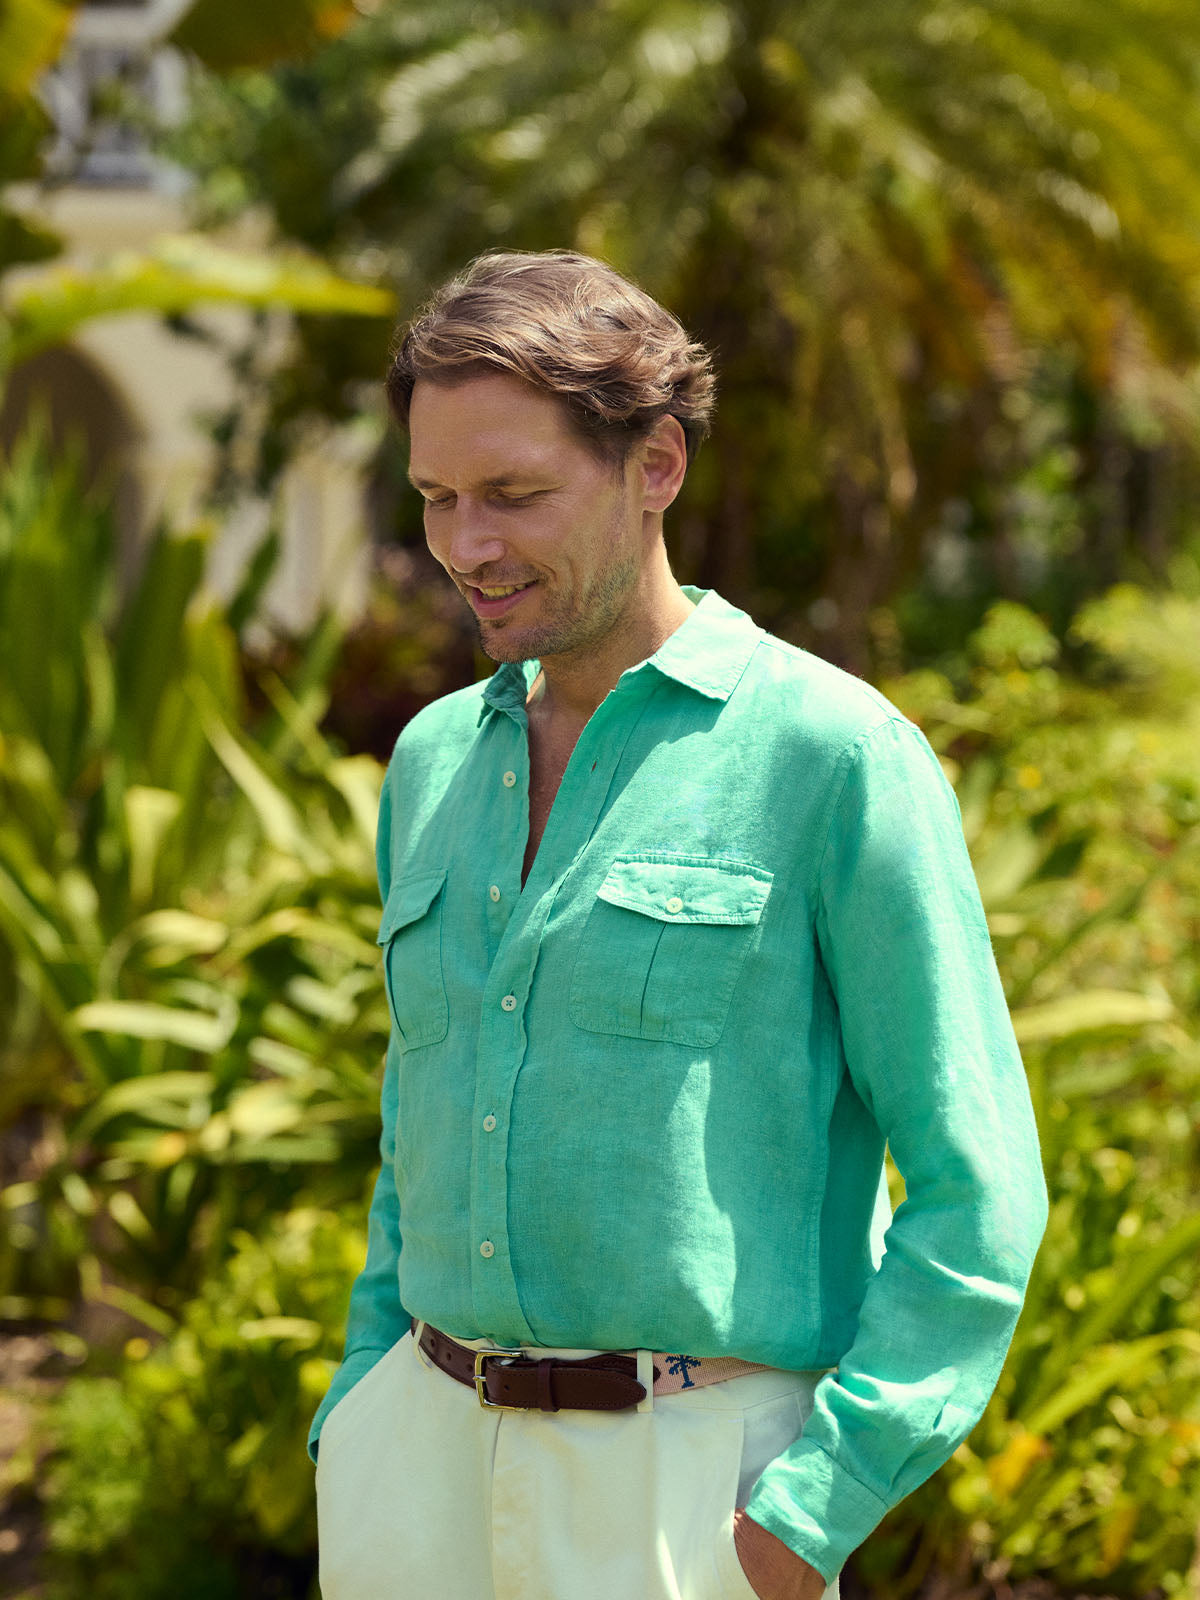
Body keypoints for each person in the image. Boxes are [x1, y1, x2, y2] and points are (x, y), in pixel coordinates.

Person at [309, 249, 1049, 1600]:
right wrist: (358, 1408)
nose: (466, 545)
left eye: (514, 495)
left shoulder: (833, 759)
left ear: (656, 464)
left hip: (686, 1499)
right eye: (435, 499)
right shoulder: (430, 761)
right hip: (412, 1475)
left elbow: (978, 1187)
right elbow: (420, 1120)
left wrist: (815, 1505)